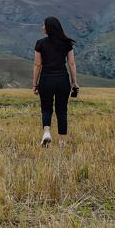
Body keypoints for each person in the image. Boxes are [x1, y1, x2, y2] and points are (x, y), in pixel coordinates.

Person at [32, 16, 79, 147]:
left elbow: (37, 65)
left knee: (46, 109)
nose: (42, 27)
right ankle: (62, 141)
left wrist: (35, 84)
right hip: (62, 80)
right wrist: (74, 82)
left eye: (44, 25)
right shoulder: (66, 43)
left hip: (46, 80)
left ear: (48, 28)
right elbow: (71, 63)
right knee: (62, 110)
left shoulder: (40, 43)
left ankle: (46, 132)